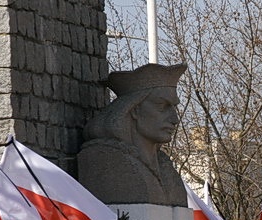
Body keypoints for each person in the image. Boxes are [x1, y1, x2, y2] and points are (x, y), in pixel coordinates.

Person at [78, 63, 188, 207]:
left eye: (174, 107)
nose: (174, 119)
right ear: (134, 109)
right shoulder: (106, 160)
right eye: (162, 107)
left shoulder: (165, 167)